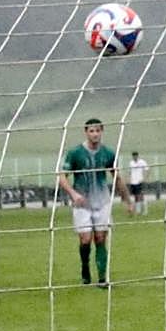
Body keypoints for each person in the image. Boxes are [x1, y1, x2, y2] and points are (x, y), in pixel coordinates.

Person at [59, 118, 132, 287]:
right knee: (85, 239)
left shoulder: (108, 153)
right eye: (91, 131)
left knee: (100, 238)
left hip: (102, 202)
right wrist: (73, 193)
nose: (95, 134)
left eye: (98, 131)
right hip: (82, 203)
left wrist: (127, 200)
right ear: (86, 132)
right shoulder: (75, 153)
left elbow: (117, 178)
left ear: (102, 132)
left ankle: (102, 278)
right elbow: (62, 176)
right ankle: (85, 268)